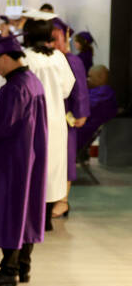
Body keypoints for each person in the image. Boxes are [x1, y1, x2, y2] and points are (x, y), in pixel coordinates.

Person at [0, 35, 49, 286]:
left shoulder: (14, 88)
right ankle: (23, 266)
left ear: (5, 58)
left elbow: (2, 126)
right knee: (26, 209)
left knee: (11, 209)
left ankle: (8, 269)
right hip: (31, 156)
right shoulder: (33, 82)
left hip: (12, 159)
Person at [21, 13, 75, 226]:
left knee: (33, 167)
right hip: (55, 119)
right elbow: (67, 88)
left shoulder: (25, 57)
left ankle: (32, 217)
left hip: (33, 120)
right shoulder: (58, 57)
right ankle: (47, 217)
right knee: (53, 168)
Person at [52, 18, 89, 218]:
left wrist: (81, 113)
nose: (54, 43)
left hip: (66, 115)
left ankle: (63, 201)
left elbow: (80, 89)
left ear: (66, 38)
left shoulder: (72, 60)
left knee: (65, 157)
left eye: (57, 38)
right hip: (49, 115)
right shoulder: (49, 59)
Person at [78, 65, 119, 154]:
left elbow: (82, 106)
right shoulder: (100, 92)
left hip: (81, 132)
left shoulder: (103, 93)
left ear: (101, 77)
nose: (87, 79)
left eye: (90, 76)